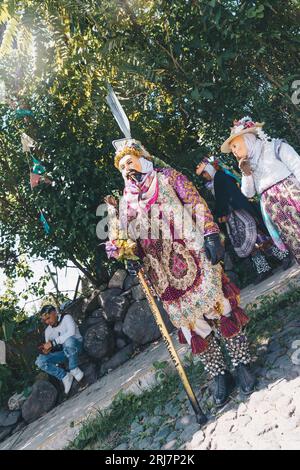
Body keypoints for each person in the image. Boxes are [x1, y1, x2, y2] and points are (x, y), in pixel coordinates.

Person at [105, 138, 256, 408]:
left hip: (193, 254)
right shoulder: (125, 202)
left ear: (142, 158)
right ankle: (219, 373)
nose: (127, 168)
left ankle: (242, 363)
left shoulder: (167, 177)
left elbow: (195, 202)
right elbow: (128, 237)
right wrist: (129, 257)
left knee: (218, 308)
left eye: (130, 161)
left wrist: (210, 234)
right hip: (162, 274)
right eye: (122, 166)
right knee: (193, 323)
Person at [195, 157, 292, 283]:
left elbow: (224, 198)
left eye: (205, 173)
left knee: (257, 237)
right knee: (251, 241)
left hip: (239, 213)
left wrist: (222, 213)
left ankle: (283, 256)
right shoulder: (219, 178)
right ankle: (265, 267)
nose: (204, 176)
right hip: (234, 216)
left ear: (210, 169)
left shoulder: (220, 178)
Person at [221, 116, 300, 263]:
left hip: (292, 196)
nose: (234, 152)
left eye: (235, 146)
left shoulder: (274, 147)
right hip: (274, 208)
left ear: (247, 139)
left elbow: (297, 166)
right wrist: (246, 173)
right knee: (295, 240)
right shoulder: (247, 164)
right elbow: (248, 193)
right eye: (232, 149)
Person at [35, 304, 84, 394]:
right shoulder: (48, 331)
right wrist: (47, 350)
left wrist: (53, 343)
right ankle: (65, 376)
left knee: (68, 340)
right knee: (40, 361)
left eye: (48, 318)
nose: (47, 322)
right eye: (45, 320)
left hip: (77, 347)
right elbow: (50, 347)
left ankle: (73, 368)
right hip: (64, 353)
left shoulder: (66, 318)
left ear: (55, 313)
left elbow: (71, 332)